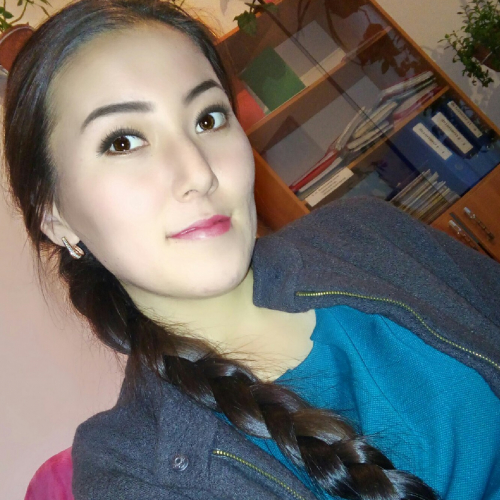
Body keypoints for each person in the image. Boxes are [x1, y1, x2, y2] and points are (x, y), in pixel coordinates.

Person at [3, 0, 500, 498]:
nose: (198, 172)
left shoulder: (367, 233)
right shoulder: (127, 468)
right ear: (55, 216)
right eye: (123, 142)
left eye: (208, 119)